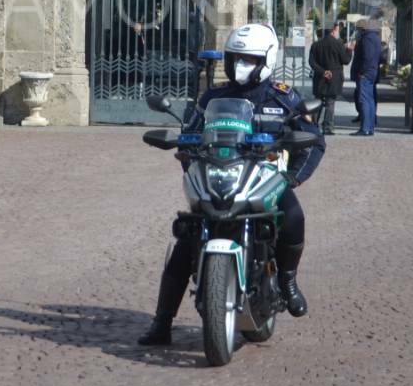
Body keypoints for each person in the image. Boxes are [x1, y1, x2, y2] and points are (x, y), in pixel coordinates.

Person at [138, 22, 325, 346]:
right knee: (185, 241)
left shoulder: (283, 98)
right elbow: (191, 130)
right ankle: (161, 322)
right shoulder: (214, 96)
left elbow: (314, 142)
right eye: (236, 57)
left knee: (293, 217)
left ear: (266, 59)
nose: (241, 65)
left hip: (266, 180)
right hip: (219, 176)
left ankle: (288, 281)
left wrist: (293, 177)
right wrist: (184, 148)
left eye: (249, 59)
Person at [307, 22, 349, 135]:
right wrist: (349, 50)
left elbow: (311, 62)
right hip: (334, 76)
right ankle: (328, 127)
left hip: (320, 77)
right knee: (330, 102)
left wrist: (322, 71)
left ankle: (313, 125)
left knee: (318, 101)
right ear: (332, 30)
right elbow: (346, 60)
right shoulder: (337, 44)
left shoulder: (316, 45)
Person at [350, 19, 383, 136]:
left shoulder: (366, 39)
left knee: (364, 100)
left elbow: (367, 57)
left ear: (361, 29)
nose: (356, 32)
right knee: (370, 100)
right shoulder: (375, 38)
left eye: (357, 29)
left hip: (366, 74)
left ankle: (365, 128)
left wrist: (362, 72)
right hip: (372, 72)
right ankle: (370, 127)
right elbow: (380, 57)